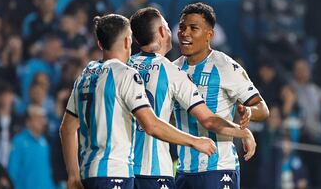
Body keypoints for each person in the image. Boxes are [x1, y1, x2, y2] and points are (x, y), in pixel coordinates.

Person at [60, 13, 216, 189]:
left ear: (100, 43)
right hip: (115, 174)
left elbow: (67, 129)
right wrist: (195, 141)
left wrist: (73, 175)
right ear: (128, 41)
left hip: (87, 174)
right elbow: (152, 125)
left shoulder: (86, 74)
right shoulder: (125, 74)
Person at [128, 7, 256, 189]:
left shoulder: (123, 68)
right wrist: (243, 132)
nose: (182, 33)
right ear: (162, 32)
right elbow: (208, 120)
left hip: (121, 170)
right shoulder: (174, 71)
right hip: (155, 172)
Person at [174, 2, 269, 189]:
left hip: (218, 169)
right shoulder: (173, 69)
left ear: (210, 35)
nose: (185, 33)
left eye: (194, 28)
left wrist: (249, 112)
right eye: (182, 27)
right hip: (183, 170)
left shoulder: (225, 66)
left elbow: (263, 109)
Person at [7, 105, 55, 189]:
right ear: (28, 121)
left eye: (43, 118)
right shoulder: (18, 141)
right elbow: (12, 171)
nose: (42, 121)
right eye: (38, 118)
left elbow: (47, 172)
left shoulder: (44, 143)